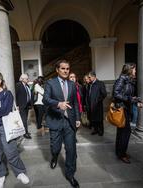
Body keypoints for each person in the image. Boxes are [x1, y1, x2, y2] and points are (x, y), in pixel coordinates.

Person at [43, 59, 81, 188]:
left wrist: (77, 118)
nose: (65, 71)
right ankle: (54, 156)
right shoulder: (50, 83)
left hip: (69, 121)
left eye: (67, 69)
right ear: (57, 70)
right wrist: (58, 104)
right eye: (63, 68)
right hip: (55, 120)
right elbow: (45, 99)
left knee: (71, 149)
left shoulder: (72, 84)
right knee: (56, 148)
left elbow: (75, 102)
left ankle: (70, 175)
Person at [113, 63, 141, 164]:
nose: (136, 71)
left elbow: (128, 95)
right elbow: (116, 93)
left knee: (122, 132)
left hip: (126, 108)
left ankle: (120, 152)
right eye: (134, 69)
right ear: (129, 70)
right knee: (125, 132)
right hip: (122, 109)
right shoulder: (122, 79)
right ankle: (122, 154)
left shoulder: (129, 80)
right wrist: (130, 99)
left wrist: (135, 101)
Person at [87, 71, 107, 136]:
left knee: (99, 119)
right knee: (93, 118)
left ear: (93, 76)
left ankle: (101, 131)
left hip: (97, 105)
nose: (89, 78)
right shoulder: (90, 84)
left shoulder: (100, 83)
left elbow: (104, 94)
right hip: (91, 104)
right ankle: (95, 130)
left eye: (89, 77)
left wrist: (97, 100)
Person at [16, 73, 32, 139]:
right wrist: (17, 105)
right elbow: (16, 95)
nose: (28, 79)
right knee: (24, 120)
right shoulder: (18, 85)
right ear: (22, 79)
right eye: (27, 78)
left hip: (27, 105)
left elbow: (29, 94)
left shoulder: (27, 85)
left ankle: (24, 132)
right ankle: (25, 133)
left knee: (25, 119)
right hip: (21, 105)